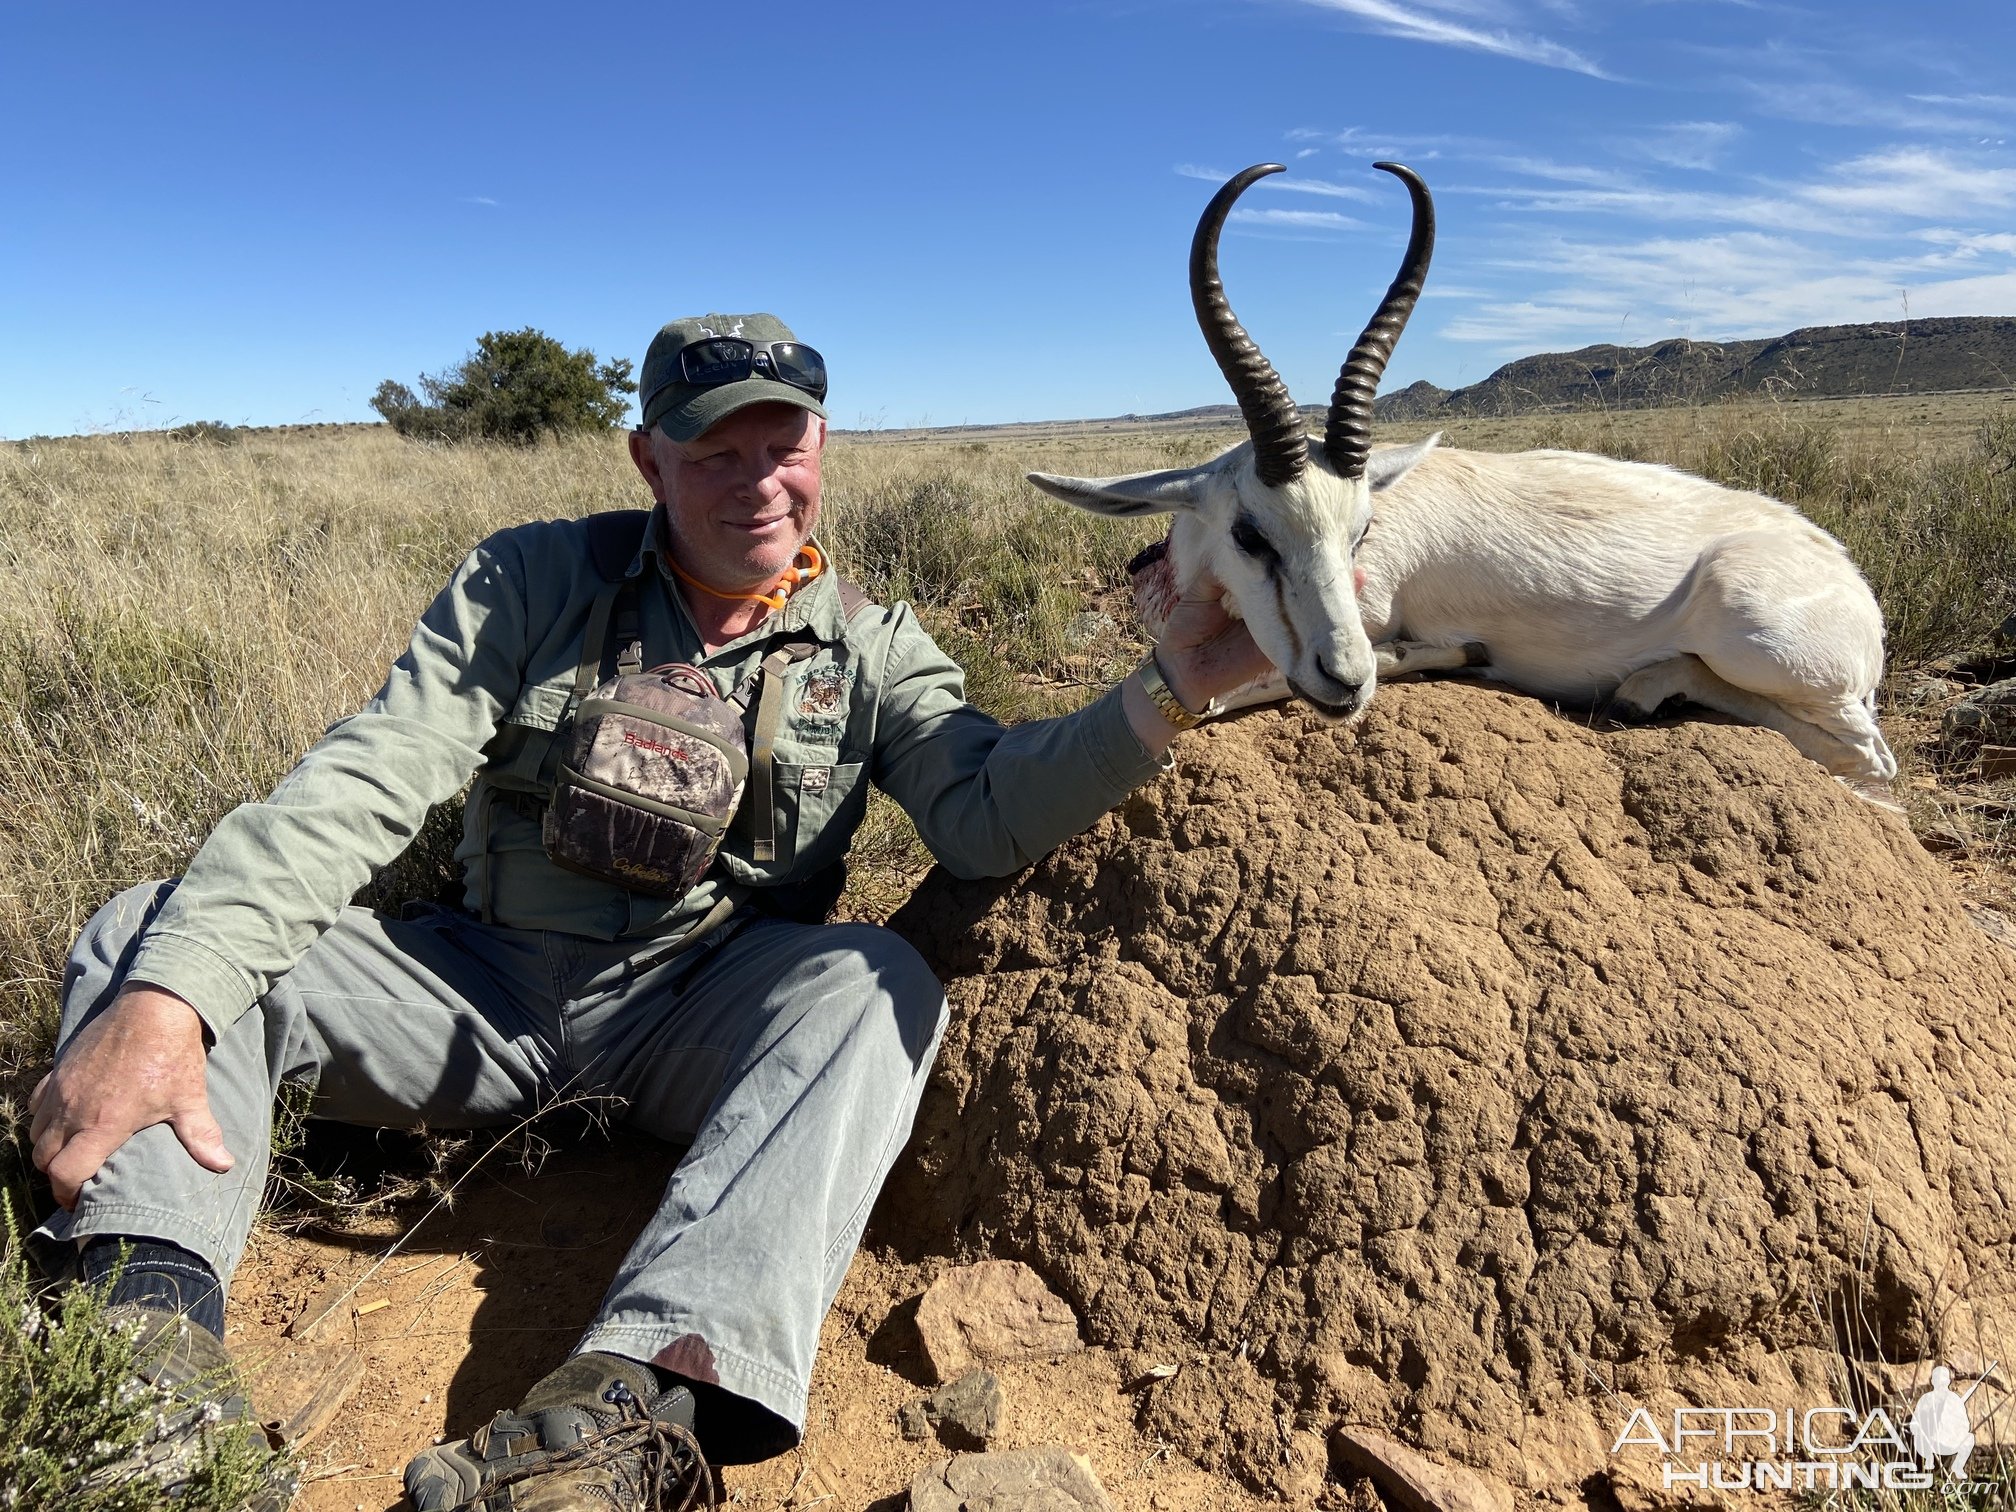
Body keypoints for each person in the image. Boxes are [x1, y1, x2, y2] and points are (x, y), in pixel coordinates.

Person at [28, 313, 1271, 1508]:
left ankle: (635, 1410)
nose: (758, 485)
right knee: (152, 931)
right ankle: (147, 1380)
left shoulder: (874, 649)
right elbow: (370, 776)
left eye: (784, 448)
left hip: (696, 1013)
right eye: (715, 453)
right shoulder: (532, 580)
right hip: (468, 994)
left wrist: (1168, 692)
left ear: (823, 448)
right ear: (648, 459)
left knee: (873, 983)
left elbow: (985, 813)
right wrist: (170, 994)